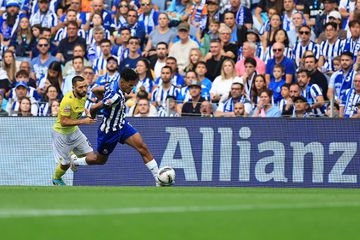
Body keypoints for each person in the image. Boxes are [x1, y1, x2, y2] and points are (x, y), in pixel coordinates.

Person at [72, 68, 161, 186]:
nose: (132, 89)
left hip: (122, 125)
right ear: (123, 82)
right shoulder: (114, 97)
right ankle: (75, 162)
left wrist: (105, 102)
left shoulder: (115, 81)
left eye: (133, 86)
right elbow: (93, 108)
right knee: (100, 160)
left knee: (142, 147)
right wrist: (93, 117)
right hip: (109, 132)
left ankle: (158, 179)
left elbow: (95, 89)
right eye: (130, 86)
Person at [51, 76, 97, 185]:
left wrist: (87, 112)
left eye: (85, 86)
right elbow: (63, 122)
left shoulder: (83, 95)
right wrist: (83, 121)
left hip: (74, 131)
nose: (84, 89)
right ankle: (56, 178)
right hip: (61, 134)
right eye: (80, 87)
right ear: (73, 87)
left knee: (91, 157)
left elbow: (80, 107)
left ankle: (74, 160)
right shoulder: (67, 101)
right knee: (65, 164)